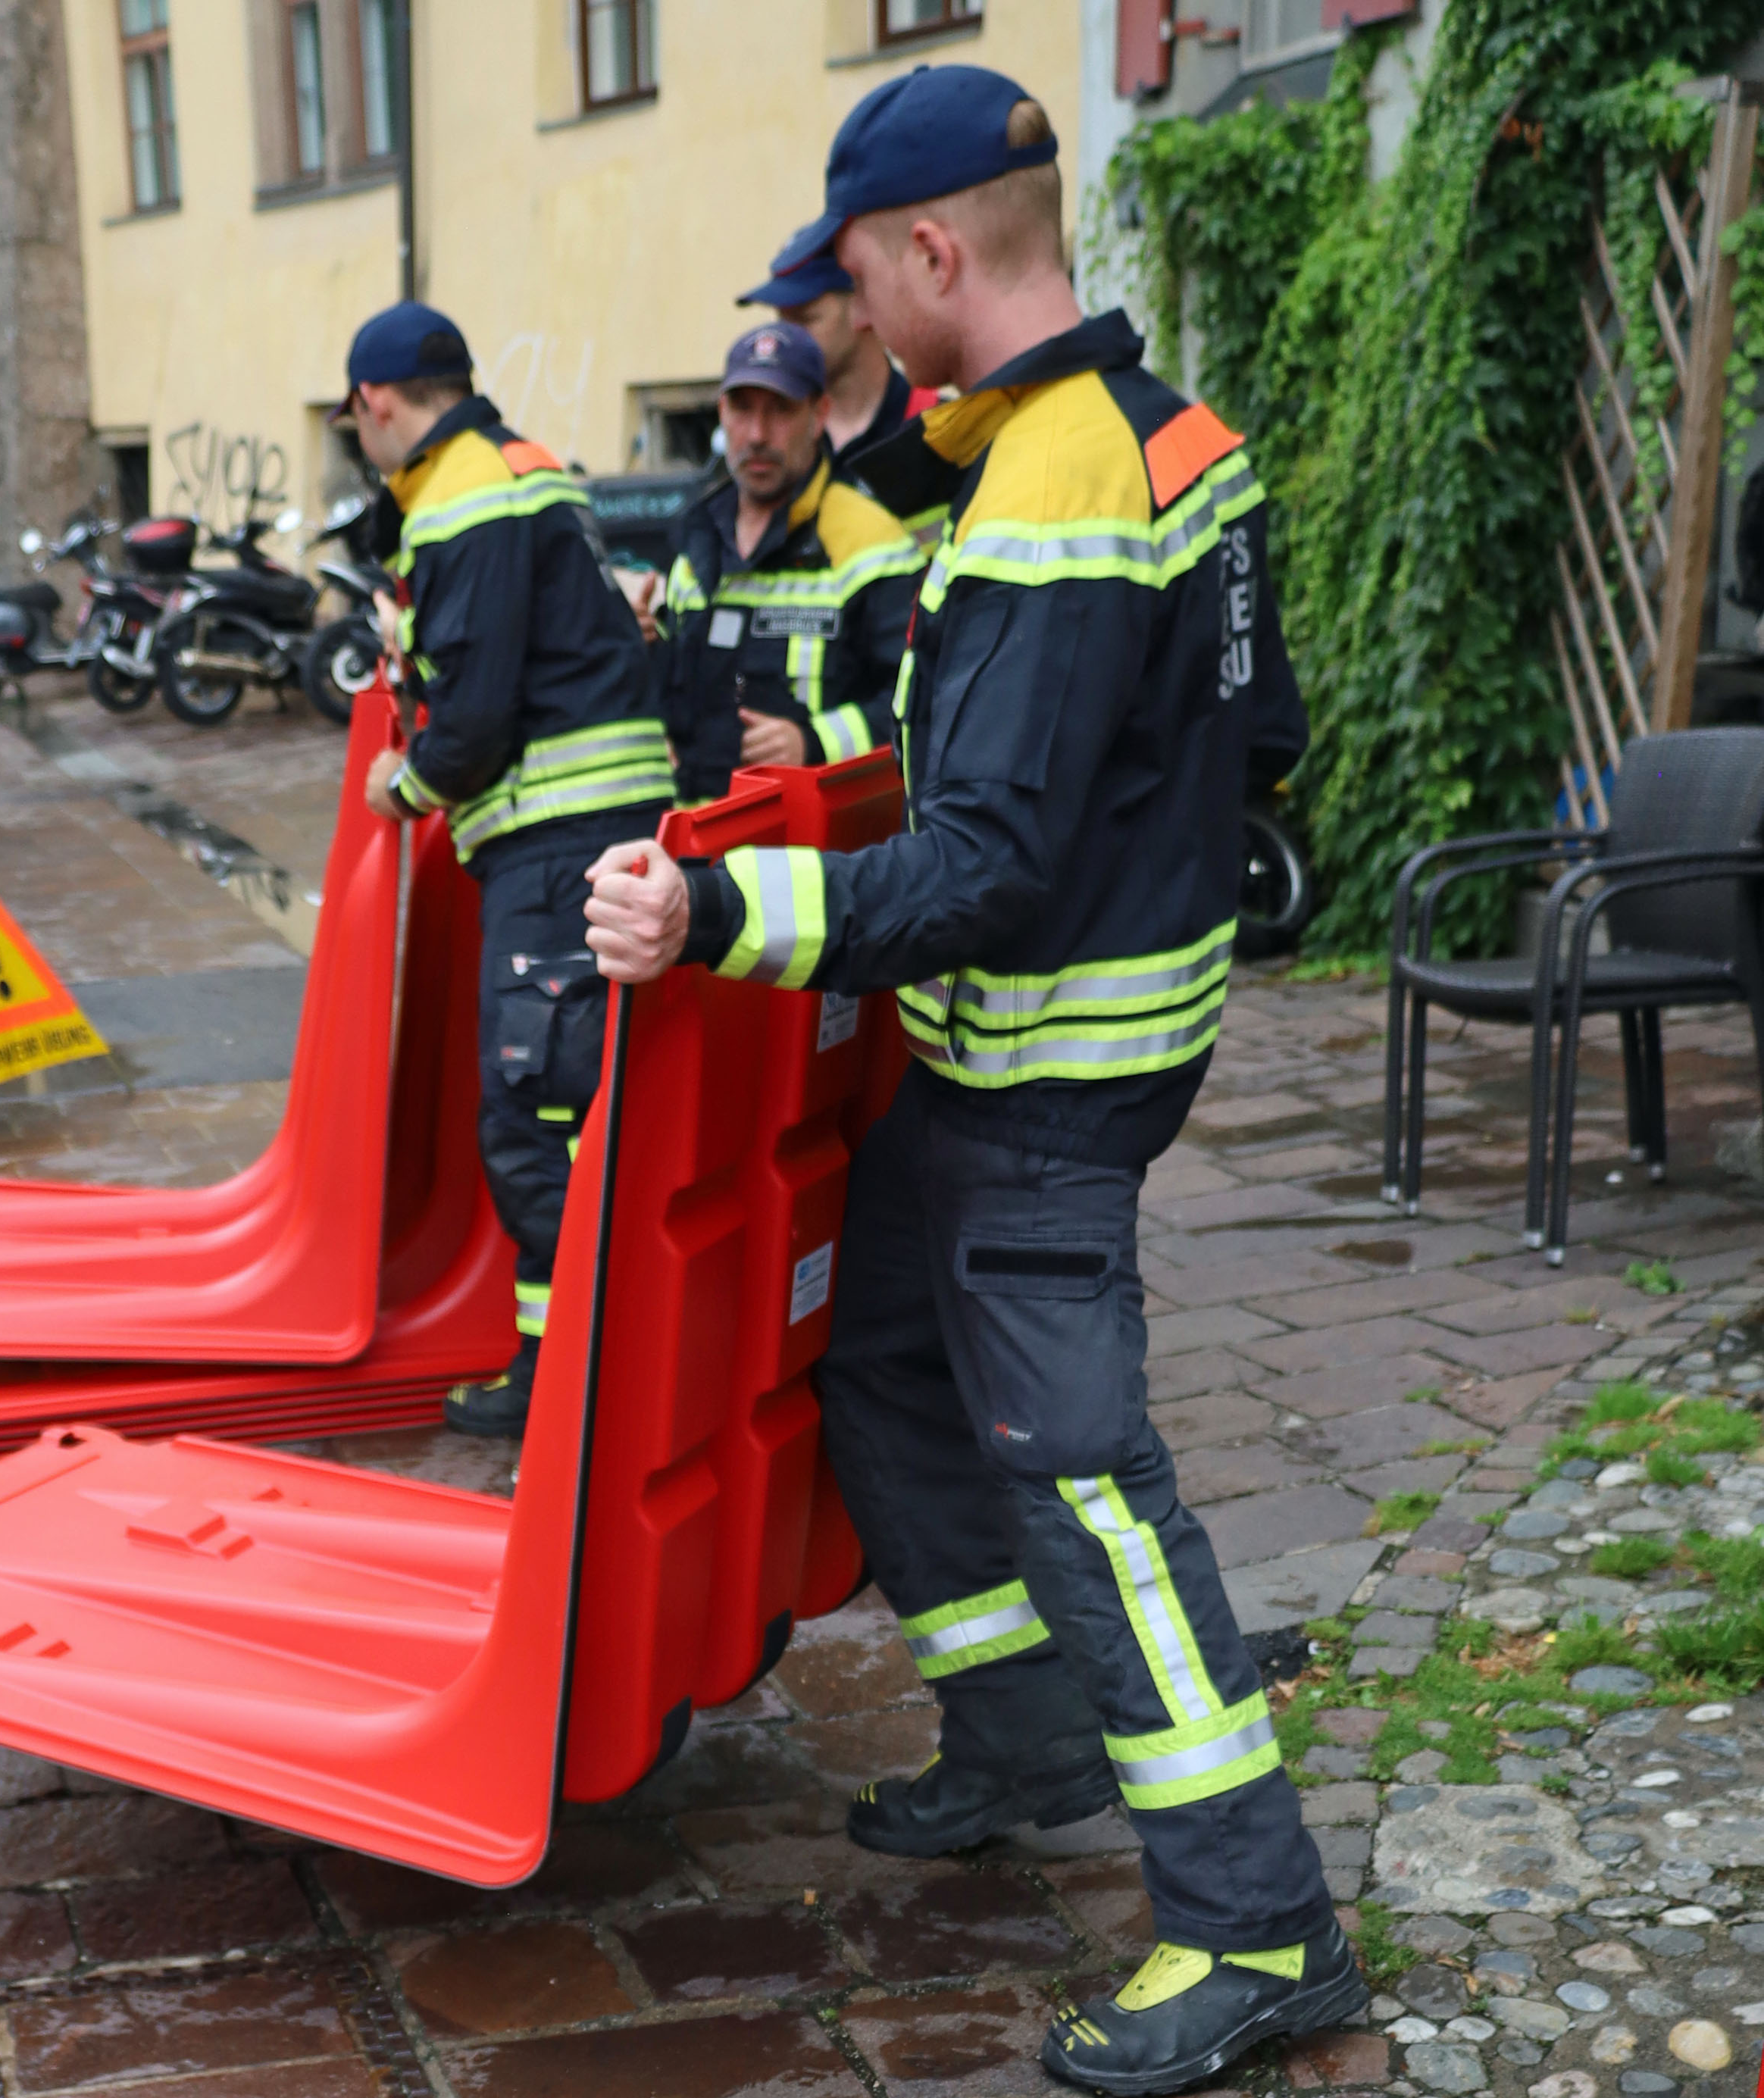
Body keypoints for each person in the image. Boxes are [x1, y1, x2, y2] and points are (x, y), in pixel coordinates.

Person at [579, 67, 1352, 2093]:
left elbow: (988, 861)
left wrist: (715, 914)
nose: (830, 325)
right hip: (1084, 1030)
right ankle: (1015, 1737)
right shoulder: (1143, 428)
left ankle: (1254, 1915)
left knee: (1080, 1468)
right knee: (884, 1368)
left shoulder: (1055, 495)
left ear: (931, 252)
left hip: (1047, 1061)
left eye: (847, 281)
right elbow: (1253, 719)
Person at [339, 300, 672, 1437]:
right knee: (576, 1111)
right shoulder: (531, 468)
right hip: (609, 832)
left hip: (552, 848)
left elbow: (474, 721)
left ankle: (569, 1386)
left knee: (534, 1115)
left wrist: (407, 785)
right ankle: (565, 1368)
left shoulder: (461, 496)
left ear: (375, 404)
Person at [642, 320, 918, 801]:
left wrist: (812, 742)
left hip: (811, 853)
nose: (757, 434)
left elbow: (919, 701)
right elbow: (685, 704)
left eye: (781, 411)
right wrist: (645, 647)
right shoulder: (699, 539)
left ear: (819, 415)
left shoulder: (869, 541)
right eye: (742, 409)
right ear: (721, 413)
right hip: (697, 847)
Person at [743, 219, 939, 467]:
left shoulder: (938, 428)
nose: (789, 340)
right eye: (782, 322)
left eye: (806, 320)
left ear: (865, 306)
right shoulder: (769, 442)